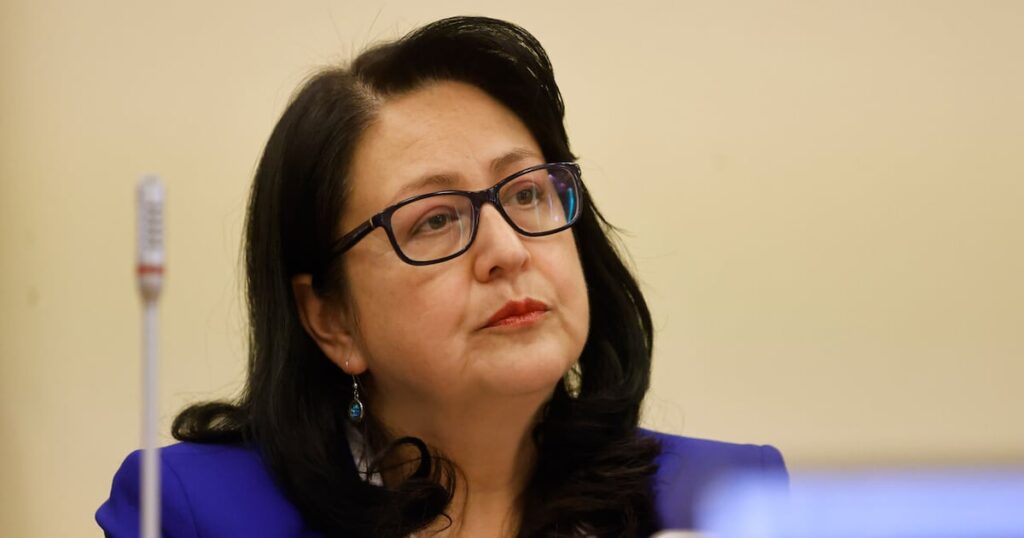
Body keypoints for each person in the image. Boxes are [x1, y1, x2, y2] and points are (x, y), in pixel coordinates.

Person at [97, 16, 787, 537]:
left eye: (527, 193)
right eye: (434, 219)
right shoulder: (191, 511)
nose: (507, 250)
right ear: (331, 319)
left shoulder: (728, 499)